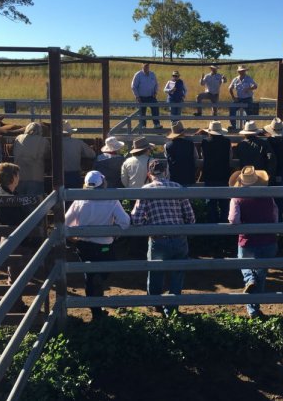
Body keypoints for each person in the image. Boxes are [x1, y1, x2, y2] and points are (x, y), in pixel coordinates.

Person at [131, 160, 195, 318]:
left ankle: (156, 303)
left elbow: (137, 219)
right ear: (166, 171)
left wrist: (150, 224)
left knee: (155, 272)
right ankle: (172, 309)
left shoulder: (145, 190)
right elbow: (191, 218)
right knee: (177, 273)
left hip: (158, 239)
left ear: (149, 174)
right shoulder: (178, 188)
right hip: (179, 237)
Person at [66, 170, 130, 320]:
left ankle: (96, 311)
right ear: (103, 183)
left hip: (84, 246)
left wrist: (74, 236)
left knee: (89, 274)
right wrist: (114, 230)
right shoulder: (111, 200)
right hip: (104, 246)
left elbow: (66, 222)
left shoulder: (79, 200)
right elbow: (125, 223)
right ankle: (100, 279)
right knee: (107, 266)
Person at [228, 166, 278, 318]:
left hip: (248, 240)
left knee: (244, 264)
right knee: (261, 275)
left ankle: (250, 282)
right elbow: (275, 216)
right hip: (268, 239)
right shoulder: (268, 196)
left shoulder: (237, 198)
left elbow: (234, 220)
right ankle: (254, 309)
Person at [0, 162, 33, 289]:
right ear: (12, 177)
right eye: (17, 175)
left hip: (10, 236)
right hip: (17, 239)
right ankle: (15, 304)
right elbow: (19, 218)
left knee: (15, 272)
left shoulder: (3, 193)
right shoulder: (10, 198)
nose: (19, 177)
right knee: (17, 273)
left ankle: (16, 302)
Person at [199, 121, 232, 224]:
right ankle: (225, 227)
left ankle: (211, 227)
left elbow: (203, 156)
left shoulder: (205, 142)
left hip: (209, 176)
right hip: (224, 175)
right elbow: (230, 157)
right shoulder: (227, 141)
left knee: (211, 204)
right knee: (225, 204)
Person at [13, 122, 50, 196]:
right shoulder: (43, 141)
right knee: (35, 202)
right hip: (35, 177)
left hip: (19, 177)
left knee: (21, 201)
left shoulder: (18, 138)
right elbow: (48, 156)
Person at [62, 120, 96, 189]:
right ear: (70, 133)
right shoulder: (78, 143)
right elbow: (92, 154)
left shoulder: (56, 143)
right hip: (74, 174)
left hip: (59, 175)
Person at [164, 121, 199, 186]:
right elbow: (196, 157)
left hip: (174, 178)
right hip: (189, 177)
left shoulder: (167, 145)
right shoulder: (190, 144)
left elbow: (167, 157)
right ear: (183, 133)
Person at [131, 62, 162, 129]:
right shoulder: (138, 75)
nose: (146, 67)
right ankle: (143, 126)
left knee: (155, 109)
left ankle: (156, 124)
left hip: (152, 96)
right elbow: (133, 86)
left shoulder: (152, 74)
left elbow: (156, 84)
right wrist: (137, 96)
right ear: (142, 66)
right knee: (142, 112)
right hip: (141, 97)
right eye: (145, 66)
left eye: (147, 66)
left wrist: (155, 92)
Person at [228, 65, 258, 131]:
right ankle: (235, 126)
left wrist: (249, 88)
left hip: (248, 98)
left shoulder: (248, 78)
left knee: (249, 113)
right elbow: (230, 88)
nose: (242, 72)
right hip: (239, 99)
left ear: (245, 71)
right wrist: (233, 97)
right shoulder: (235, 79)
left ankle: (248, 127)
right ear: (238, 72)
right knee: (232, 109)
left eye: (243, 71)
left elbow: (255, 86)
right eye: (240, 71)